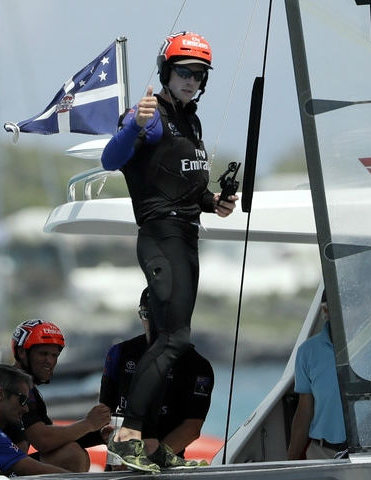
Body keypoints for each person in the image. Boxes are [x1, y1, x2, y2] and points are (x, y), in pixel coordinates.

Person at [100, 30, 237, 472]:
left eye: (198, 74)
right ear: (166, 71)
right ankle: (128, 437)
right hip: (161, 235)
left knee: (166, 341)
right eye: (183, 72)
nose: (191, 80)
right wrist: (136, 126)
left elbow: (183, 181)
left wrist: (213, 202)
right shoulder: (152, 114)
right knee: (176, 339)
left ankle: (156, 451)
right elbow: (111, 159)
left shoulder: (190, 121)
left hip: (186, 235)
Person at [100, 287, 214, 470]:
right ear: (140, 315)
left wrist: (151, 457)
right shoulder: (120, 353)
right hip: (120, 460)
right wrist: (109, 438)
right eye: (146, 314)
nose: (154, 323)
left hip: (164, 463)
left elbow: (192, 427)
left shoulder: (197, 366)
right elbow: (105, 410)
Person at [11, 319, 111, 472]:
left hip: (6, 466)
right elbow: (43, 441)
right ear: (21, 352)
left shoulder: (27, 387)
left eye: (54, 355)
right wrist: (89, 424)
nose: (50, 361)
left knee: (72, 451)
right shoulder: (14, 384)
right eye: (43, 354)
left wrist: (97, 435)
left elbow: (54, 441)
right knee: (72, 455)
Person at [286, 291, 348, 460]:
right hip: (322, 453)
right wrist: (290, 463)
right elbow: (305, 410)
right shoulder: (307, 352)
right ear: (325, 311)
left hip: (367, 455)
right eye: (338, 306)